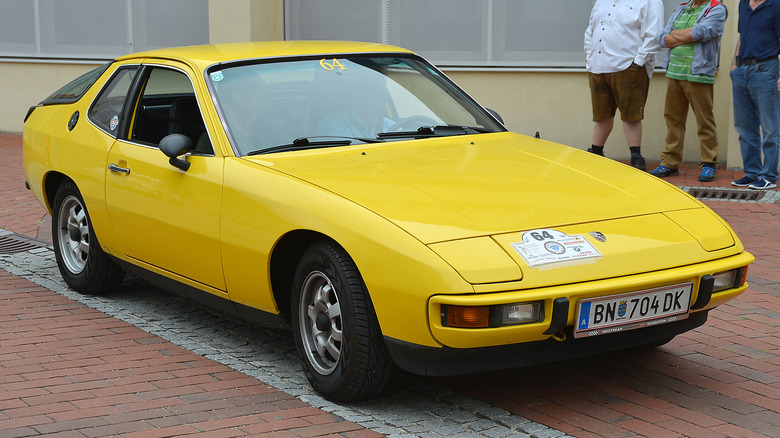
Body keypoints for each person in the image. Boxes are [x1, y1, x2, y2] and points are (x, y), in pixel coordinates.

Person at [649, 0, 727, 182]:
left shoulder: (716, 8)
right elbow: (662, 38)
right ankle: (669, 162)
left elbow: (702, 32)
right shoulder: (682, 8)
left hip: (698, 73)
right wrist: (685, 35)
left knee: (704, 120)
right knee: (673, 119)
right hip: (674, 72)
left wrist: (675, 35)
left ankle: (709, 163)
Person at [584, 0, 664, 171]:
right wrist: (589, 56)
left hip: (628, 65)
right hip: (598, 65)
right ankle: (596, 151)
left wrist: (638, 62)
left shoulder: (650, 1)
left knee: (631, 114)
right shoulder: (602, 1)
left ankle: (636, 155)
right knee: (601, 114)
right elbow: (591, 30)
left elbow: (654, 34)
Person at [730, 0, 780, 190]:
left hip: (766, 70)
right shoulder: (743, 4)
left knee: (770, 128)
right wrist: (734, 64)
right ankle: (752, 173)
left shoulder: (776, 6)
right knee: (744, 127)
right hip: (742, 69)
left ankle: (768, 176)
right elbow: (742, 35)